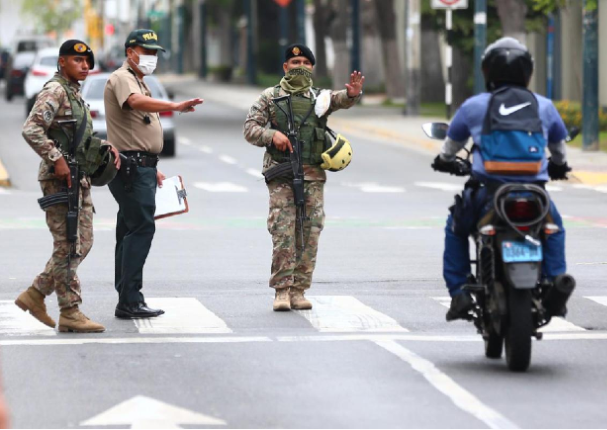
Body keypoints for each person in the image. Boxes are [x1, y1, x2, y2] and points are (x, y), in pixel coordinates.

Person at [431, 37, 573, 321]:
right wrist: (559, 166)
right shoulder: (543, 105)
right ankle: (557, 282)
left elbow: (451, 145)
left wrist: (443, 161)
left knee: (456, 227)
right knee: (553, 228)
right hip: (535, 193)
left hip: (488, 193)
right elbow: (559, 149)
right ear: (527, 72)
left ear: (487, 71)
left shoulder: (474, 106)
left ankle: (459, 293)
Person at [243, 44, 364, 311]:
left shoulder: (319, 98)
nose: (300, 66)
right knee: (283, 231)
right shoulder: (270, 97)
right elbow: (250, 128)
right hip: (282, 174)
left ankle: (299, 290)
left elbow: (339, 99)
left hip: (313, 176)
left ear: (312, 68)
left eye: (305, 62)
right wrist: (270, 135)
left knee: (310, 233)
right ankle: (282, 292)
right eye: (294, 61)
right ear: (285, 67)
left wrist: (353, 94)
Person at [16, 40, 121, 333]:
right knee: (69, 244)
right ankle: (70, 312)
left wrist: (103, 146)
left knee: (81, 243)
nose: (85, 66)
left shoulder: (74, 93)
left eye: (88, 62)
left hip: (78, 177)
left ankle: (36, 293)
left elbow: (72, 136)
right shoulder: (56, 90)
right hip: (59, 178)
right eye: (78, 61)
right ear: (62, 62)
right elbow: (31, 128)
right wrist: (56, 158)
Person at [104, 29, 203, 319]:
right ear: (130, 52)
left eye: (154, 52)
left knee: (129, 229)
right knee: (141, 228)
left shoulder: (139, 80)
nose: (152, 57)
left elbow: (136, 130)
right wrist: (174, 106)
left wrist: (152, 167)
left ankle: (126, 294)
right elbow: (134, 103)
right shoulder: (124, 78)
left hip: (138, 166)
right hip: (132, 169)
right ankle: (130, 300)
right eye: (146, 51)